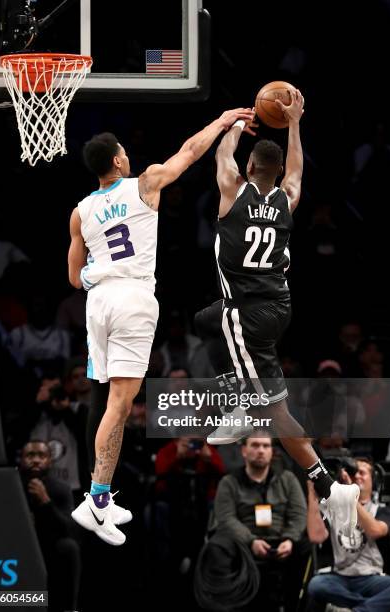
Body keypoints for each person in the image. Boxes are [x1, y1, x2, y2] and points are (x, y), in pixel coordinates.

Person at [68, 107, 255, 545]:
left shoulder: (80, 212)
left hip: (97, 302)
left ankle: (95, 495)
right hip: (132, 298)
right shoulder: (144, 184)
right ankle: (96, 500)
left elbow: (75, 278)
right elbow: (190, 151)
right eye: (123, 152)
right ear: (117, 161)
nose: (127, 155)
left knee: (101, 391)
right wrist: (225, 120)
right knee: (120, 402)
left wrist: (98, 272)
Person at [201, 89, 360, 535]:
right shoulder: (287, 198)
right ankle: (243, 395)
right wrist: (294, 122)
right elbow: (296, 170)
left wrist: (234, 125)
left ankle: (329, 486)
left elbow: (222, 155)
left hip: (246, 313)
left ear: (250, 169)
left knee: (275, 412)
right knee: (203, 320)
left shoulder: (232, 191)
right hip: (278, 306)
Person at [214, 436, 308, 611]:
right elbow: (226, 519)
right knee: (219, 546)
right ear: (244, 451)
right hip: (243, 544)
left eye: (266, 446)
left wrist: (289, 539)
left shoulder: (287, 479)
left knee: (305, 547)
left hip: (281, 541)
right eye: (255, 445)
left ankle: (293, 605)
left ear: (272, 451)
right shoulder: (229, 482)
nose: (261, 450)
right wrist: (250, 541)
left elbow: (299, 514)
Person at [306, 457, 390, 612]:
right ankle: (367, 606)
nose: (356, 476)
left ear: (373, 481)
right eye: (352, 472)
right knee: (316, 585)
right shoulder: (332, 508)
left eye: (362, 472)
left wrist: (348, 494)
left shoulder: (382, 510)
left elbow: (375, 531)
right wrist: (312, 494)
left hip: (372, 577)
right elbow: (316, 536)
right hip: (340, 578)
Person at [19, 441, 81, 612]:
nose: (36, 460)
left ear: (50, 461)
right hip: (17, 543)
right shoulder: (11, 485)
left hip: (48, 544)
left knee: (69, 547)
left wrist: (45, 500)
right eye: (30, 456)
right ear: (21, 460)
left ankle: (67, 608)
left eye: (42, 456)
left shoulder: (60, 488)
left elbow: (69, 529)